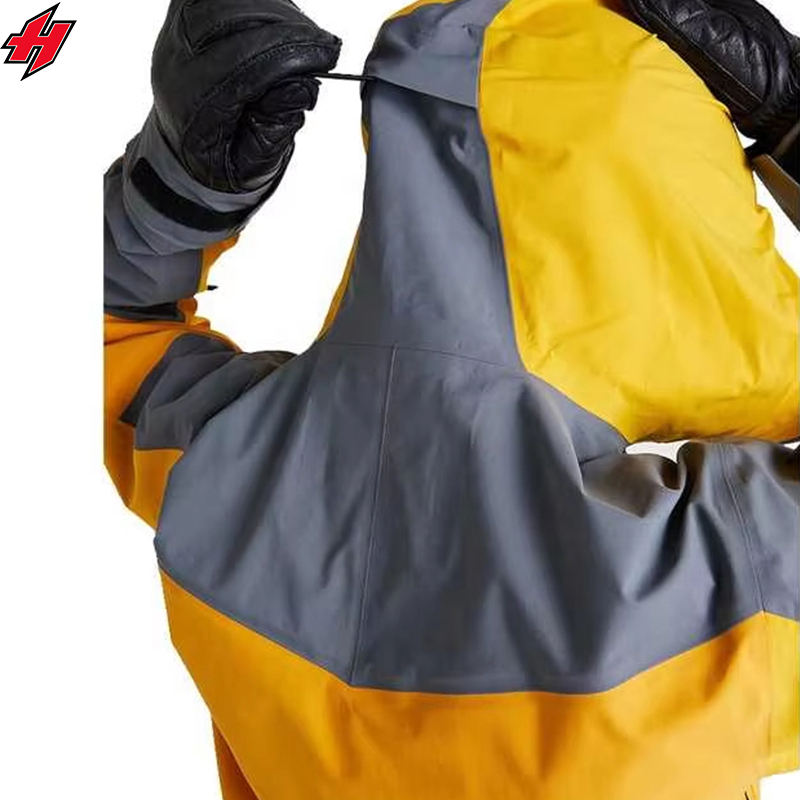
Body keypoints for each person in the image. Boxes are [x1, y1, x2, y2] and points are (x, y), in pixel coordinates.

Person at [103, 0, 799, 797]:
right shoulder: (728, 581)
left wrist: (181, 188)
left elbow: (90, 337)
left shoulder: (242, 490)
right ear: (699, 250)